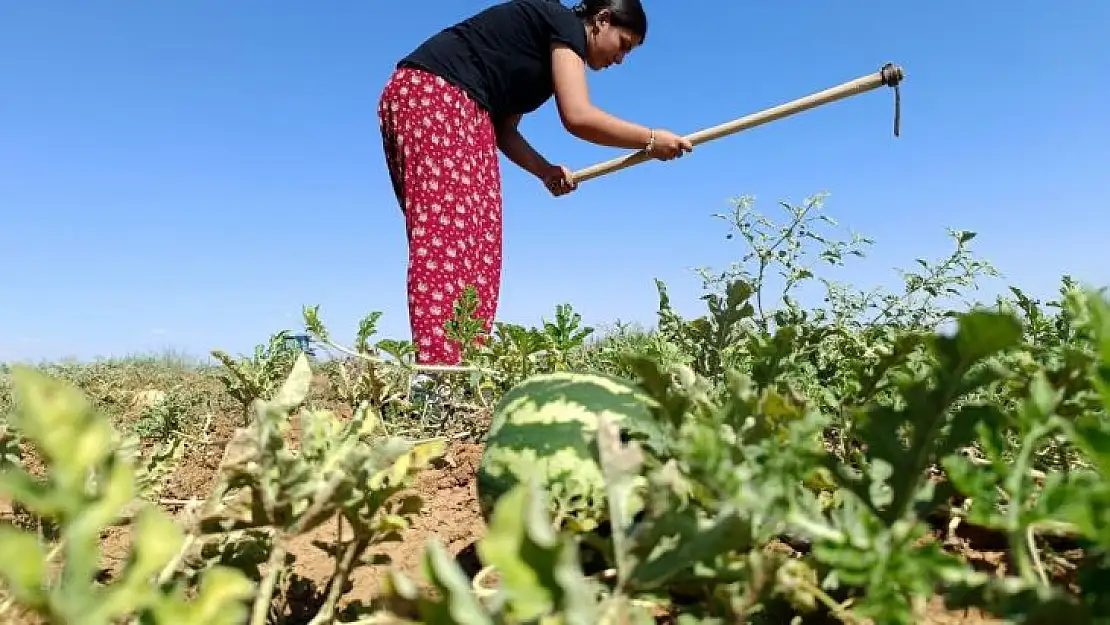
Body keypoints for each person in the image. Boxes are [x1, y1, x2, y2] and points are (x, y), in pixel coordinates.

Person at [378, 0, 693, 366]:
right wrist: (651, 140)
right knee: (448, 238)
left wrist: (545, 170)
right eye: (622, 45)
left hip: (468, 111)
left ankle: (465, 366)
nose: (620, 59)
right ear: (601, 20)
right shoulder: (562, 24)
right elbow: (578, 116)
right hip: (437, 95)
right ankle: (434, 371)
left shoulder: (544, 66)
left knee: (481, 243)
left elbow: (505, 131)